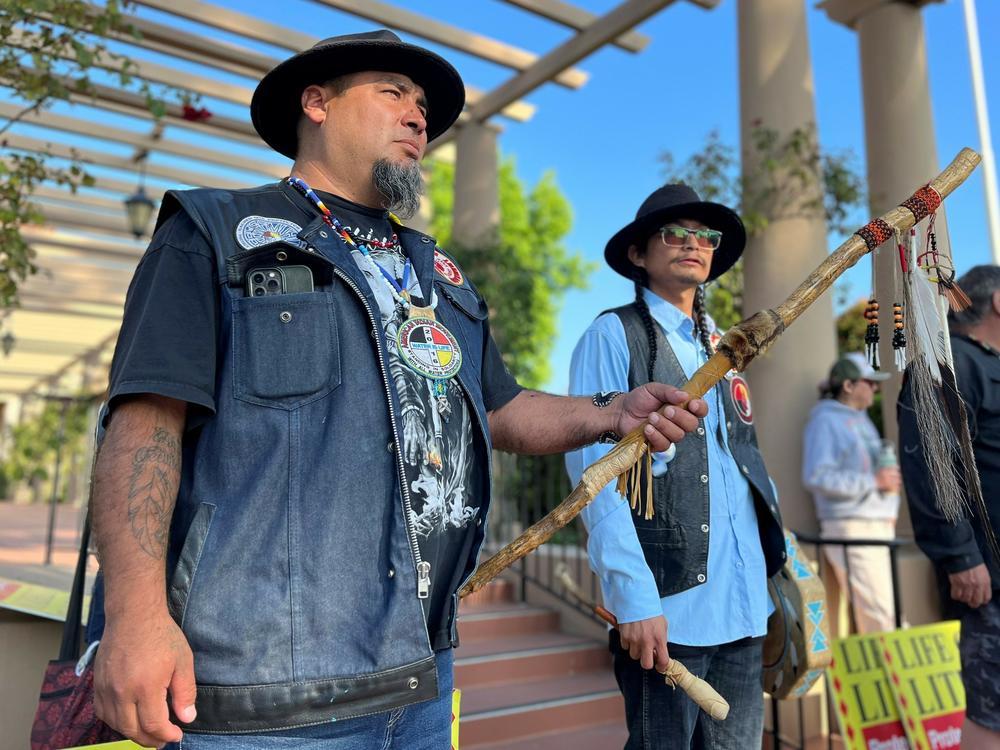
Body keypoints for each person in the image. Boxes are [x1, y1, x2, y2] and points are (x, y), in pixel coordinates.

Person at [88, 30, 708, 750]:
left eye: (423, 106)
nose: (419, 117)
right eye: (393, 93)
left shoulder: (437, 274)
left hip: (422, 676)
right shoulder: (214, 233)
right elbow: (144, 426)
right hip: (263, 692)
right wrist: (133, 620)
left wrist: (613, 411)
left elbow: (502, 409)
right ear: (316, 103)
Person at [565, 184, 786, 749]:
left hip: (743, 606)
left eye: (705, 236)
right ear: (638, 254)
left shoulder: (725, 345)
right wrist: (634, 600)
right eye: (675, 232)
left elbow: (744, 462)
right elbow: (596, 473)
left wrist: (777, 564)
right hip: (668, 610)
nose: (694, 243)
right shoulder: (613, 334)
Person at [899, 265, 1000, 750]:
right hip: (990, 577)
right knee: (991, 710)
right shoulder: (946, 365)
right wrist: (960, 555)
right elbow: (931, 465)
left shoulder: (984, 361)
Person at [802, 353, 901, 634]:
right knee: (879, 618)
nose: (875, 388)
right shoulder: (825, 422)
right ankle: (889, 677)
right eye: (869, 383)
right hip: (852, 527)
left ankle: (885, 675)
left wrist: (887, 506)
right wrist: (874, 481)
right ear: (848, 386)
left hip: (874, 527)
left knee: (882, 613)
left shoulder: (862, 420)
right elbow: (816, 476)